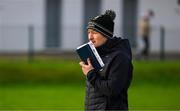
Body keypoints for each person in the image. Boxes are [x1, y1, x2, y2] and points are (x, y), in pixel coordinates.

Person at [79, 10, 133, 110]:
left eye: (94, 32)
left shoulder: (120, 57)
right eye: (89, 32)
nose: (90, 37)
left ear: (106, 34)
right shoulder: (95, 53)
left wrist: (90, 73)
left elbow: (111, 90)